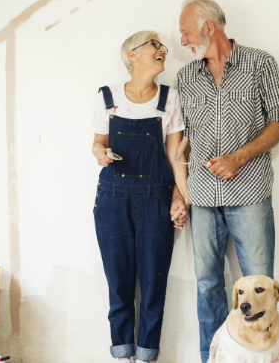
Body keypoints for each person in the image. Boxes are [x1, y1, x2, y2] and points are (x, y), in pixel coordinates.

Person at [175, 0, 279, 361]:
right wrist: (178, 195)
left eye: (185, 33)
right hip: (202, 198)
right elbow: (182, 143)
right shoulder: (185, 77)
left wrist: (238, 157)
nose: (182, 42)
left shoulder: (260, 64)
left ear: (208, 28)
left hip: (250, 194)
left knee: (259, 286)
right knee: (208, 286)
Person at [91, 30, 187, 363]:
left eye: (162, 46)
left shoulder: (170, 99)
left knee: (153, 289)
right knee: (118, 288)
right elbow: (97, 143)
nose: (162, 50)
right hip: (112, 200)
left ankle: (146, 357)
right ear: (132, 55)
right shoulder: (108, 97)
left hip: (155, 200)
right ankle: (121, 356)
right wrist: (100, 153)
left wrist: (180, 198)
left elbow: (176, 157)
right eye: (154, 45)